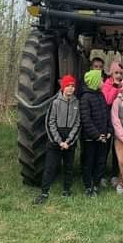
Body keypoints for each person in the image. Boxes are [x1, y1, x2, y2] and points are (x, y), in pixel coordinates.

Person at [33, 75, 81, 204]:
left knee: (69, 167)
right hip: (55, 140)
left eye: (73, 86)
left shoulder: (77, 103)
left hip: (69, 140)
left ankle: (66, 190)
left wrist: (69, 141)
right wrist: (59, 141)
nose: (71, 89)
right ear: (63, 87)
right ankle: (44, 192)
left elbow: (77, 123)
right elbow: (50, 123)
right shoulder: (55, 103)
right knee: (50, 167)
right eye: (68, 86)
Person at [79, 69, 112, 197]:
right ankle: (88, 186)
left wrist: (109, 130)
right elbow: (86, 120)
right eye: (101, 80)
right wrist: (97, 136)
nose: (103, 82)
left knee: (100, 162)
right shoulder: (85, 97)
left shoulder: (101, 95)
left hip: (103, 137)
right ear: (95, 81)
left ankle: (96, 185)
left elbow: (106, 115)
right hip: (90, 139)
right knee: (89, 162)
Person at [101, 61, 123, 187]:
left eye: (120, 73)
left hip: (119, 121)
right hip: (107, 121)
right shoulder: (107, 84)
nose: (118, 75)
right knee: (104, 150)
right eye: (116, 72)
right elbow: (107, 100)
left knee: (117, 150)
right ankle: (102, 175)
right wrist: (115, 87)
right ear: (111, 73)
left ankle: (115, 175)